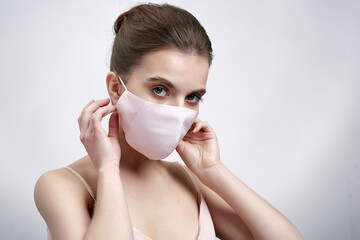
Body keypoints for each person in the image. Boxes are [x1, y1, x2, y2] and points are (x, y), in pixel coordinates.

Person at [34, 3, 303, 240]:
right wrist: (107, 169)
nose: (178, 111)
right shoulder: (61, 186)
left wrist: (214, 171)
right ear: (116, 88)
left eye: (193, 96)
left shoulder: (188, 180)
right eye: (161, 89)